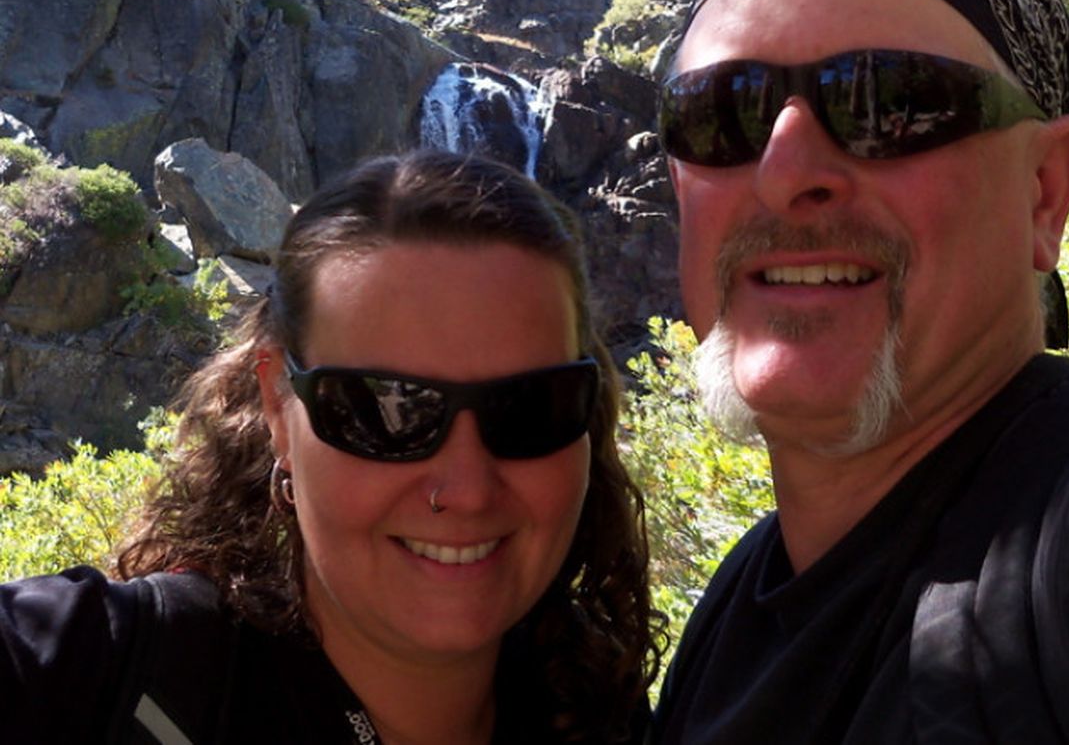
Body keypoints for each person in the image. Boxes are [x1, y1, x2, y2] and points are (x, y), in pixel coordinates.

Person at [651, 0, 1069, 744]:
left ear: (1044, 192)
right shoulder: (733, 610)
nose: (785, 175)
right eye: (724, 112)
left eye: (886, 101)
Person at [1, 149, 662, 744]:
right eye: (383, 408)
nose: (466, 489)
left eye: (530, 406)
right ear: (277, 406)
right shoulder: (103, 676)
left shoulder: (609, 714)